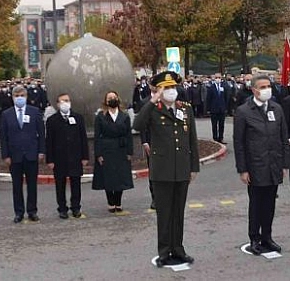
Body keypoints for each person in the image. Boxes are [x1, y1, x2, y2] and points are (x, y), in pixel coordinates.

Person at [133, 71, 199, 268]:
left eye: (173, 87)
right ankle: (164, 252)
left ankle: (178, 249)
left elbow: (192, 140)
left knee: (178, 213)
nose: (171, 91)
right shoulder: (153, 109)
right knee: (164, 213)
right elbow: (137, 125)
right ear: (158, 90)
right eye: (166, 88)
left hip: (182, 169)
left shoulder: (185, 109)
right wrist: (153, 100)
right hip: (162, 170)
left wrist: (193, 167)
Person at [234, 74, 290, 255]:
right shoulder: (243, 111)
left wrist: (285, 164)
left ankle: (267, 236)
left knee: (270, 204)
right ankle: (254, 238)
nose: (267, 89)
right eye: (263, 87)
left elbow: (283, 138)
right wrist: (242, 169)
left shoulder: (277, 108)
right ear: (254, 90)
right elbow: (239, 143)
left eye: (269, 86)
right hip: (255, 166)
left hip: (274, 164)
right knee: (256, 204)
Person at [0, 86, 46, 224]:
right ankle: (18, 212)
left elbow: (41, 134)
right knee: (16, 186)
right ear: (13, 97)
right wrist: (5, 155)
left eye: (22, 95)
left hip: (31, 154)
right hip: (15, 156)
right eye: (16, 95)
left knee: (32, 185)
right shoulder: (6, 114)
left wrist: (41, 151)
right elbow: (3, 136)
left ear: (26, 96)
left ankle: (32, 211)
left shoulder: (35, 111)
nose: (19, 98)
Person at [46, 93, 89, 219]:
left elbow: (83, 138)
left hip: (75, 156)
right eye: (63, 101)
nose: (66, 103)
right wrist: (50, 159)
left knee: (76, 183)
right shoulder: (52, 120)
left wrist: (85, 156)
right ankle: (62, 208)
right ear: (58, 104)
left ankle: (76, 207)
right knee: (60, 184)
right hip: (59, 158)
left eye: (67, 100)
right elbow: (49, 141)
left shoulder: (78, 118)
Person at [92, 91, 135, 212]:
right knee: (108, 177)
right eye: (109, 98)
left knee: (120, 176)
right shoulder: (100, 116)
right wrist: (98, 154)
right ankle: (111, 202)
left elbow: (128, 135)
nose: (112, 99)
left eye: (114, 97)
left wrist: (129, 152)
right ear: (105, 101)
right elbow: (97, 136)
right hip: (106, 149)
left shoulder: (124, 116)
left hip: (121, 148)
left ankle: (118, 201)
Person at [206, 73, 228, 143]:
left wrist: (226, 107)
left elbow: (226, 97)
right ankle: (215, 138)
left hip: (222, 109)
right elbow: (208, 99)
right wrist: (208, 109)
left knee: (221, 125)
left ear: (221, 78)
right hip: (214, 109)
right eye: (216, 77)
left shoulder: (224, 86)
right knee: (214, 125)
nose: (218, 79)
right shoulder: (211, 87)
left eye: (219, 77)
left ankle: (221, 138)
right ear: (214, 78)